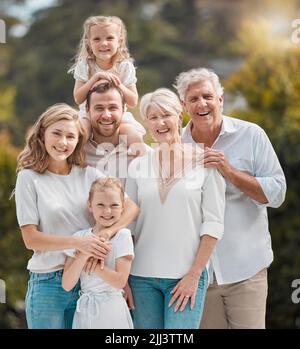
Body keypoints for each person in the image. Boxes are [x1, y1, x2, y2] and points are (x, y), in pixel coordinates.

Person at [174, 67, 287, 329]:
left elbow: (278, 193)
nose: (202, 104)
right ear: (183, 105)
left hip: (246, 270)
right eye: (193, 99)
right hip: (198, 276)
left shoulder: (251, 135)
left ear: (220, 100)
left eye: (207, 97)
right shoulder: (176, 146)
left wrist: (230, 172)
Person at [14, 103, 139, 329]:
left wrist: (106, 234)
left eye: (70, 136)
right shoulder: (29, 178)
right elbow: (31, 239)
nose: (63, 142)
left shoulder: (89, 174)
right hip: (48, 282)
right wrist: (79, 243)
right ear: (42, 134)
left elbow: (130, 207)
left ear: (78, 141)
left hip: (89, 281)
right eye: (57, 133)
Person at [125, 88, 226, 329]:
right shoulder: (137, 167)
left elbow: (213, 224)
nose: (160, 123)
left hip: (185, 278)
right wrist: (123, 279)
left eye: (166, 115)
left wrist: (194, 274)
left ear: (179, 116)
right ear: (146, 123)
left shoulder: (206, 162)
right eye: (153, 117)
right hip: (141, 279)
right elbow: (126, 227)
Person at [62, 177, 134, 329]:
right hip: (85, 310)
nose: (107, 211)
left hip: (112, 310)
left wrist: (93, 267)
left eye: (114, 205)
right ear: (90, 205)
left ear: (122, 207)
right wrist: (84, 254)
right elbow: (67, 284)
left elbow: (120, 281)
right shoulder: (79, 238)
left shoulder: (123, 236)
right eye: (100, 204)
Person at [69, 15, 144, 151]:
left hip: (117, 114)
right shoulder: (85, 65)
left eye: (109, 38)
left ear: (119, 42)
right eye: (97, 39)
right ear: (89, 43)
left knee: (133, 135)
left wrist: (119, 85)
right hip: (88, 114)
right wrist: (94, 79)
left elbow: (133, 101)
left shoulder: (124, 66)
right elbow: (78, 98)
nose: (103, 43)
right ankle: (75, 166)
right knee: (80, 133)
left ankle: (141, 164)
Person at [84, 80, 148, 185]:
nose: (106, 115)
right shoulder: (75, 153)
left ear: (123, 110)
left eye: (113, 108)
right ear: (87, 110)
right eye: (99, 108)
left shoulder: (141, 153)